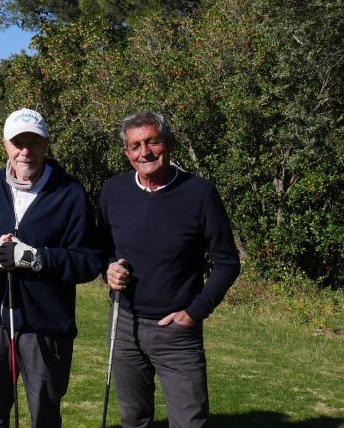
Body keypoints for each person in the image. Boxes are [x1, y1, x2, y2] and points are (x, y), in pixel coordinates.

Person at [0, 108, 103, 428]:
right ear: (5, 145)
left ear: (46, 144)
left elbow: (89, 260)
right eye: (18, 142)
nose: (26, 151)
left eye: (33, 142)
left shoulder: (70, 192)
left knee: (44, 413)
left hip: (47, 322)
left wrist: (37, 258)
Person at [100, 111, 241, 428]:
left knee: (189, 421)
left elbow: (227, 262)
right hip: (124, 324)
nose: (144, 152)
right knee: (134, 419)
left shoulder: (199, 193)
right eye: (135, 146)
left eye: (153, 142)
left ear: (169, 144)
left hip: (177, 330)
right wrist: (107, 268)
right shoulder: (113, 191)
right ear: (127, 153)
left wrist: (194, 313)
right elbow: (100, 249)